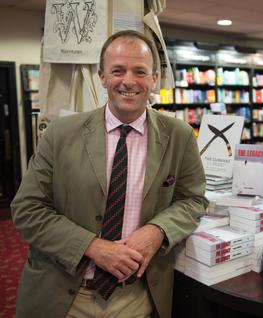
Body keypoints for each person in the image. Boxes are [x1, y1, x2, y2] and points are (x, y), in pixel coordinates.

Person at [11, 30, 208, 318]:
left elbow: (193, 199)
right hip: (64, 294)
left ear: (154, 79)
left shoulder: (179, 136)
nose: (128, 81)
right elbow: (27, 209)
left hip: (137, 297)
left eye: (140, 71)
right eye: (118, 70)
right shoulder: (60, 134)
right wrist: (92, 246)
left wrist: (158, 230)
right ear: (102, 76)